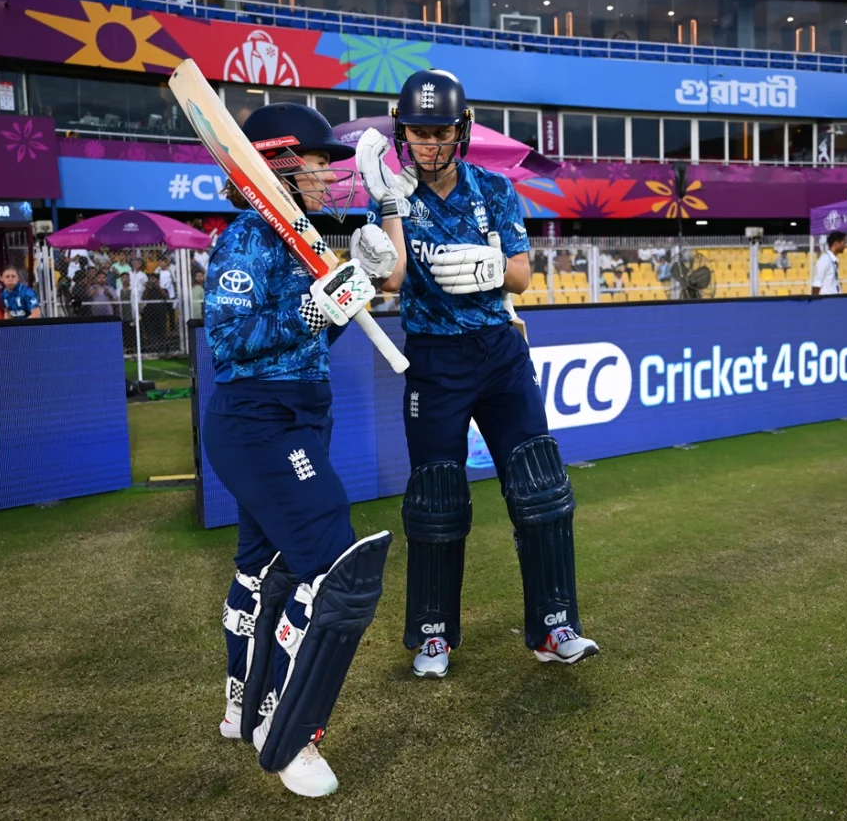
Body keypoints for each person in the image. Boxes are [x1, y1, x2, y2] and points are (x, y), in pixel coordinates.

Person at [363, 68, 599, 679]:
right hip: (434, 360)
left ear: (461, 129)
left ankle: (555, 625)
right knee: (436, 499)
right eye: (418, 133)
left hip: (499, 352)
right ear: (402, 133)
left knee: (540, 489)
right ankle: (433, 634)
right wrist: (387, 201)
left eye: (440, 131)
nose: (429, 145)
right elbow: (389, 281)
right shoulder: (391, 196)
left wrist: (488, 265)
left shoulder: (494, 189)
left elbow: (521, 276)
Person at [203, 102, 392, 799]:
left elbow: (308, 342)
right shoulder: (248, 236)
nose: (327, 176)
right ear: (278, 163)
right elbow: (229, 342)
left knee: (260, 568)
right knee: (329, 558)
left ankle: (241, 705)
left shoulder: (300, 234)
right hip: (260, 421)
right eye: (317, 162)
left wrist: (350, 294)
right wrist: (316, 306)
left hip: (298, 414)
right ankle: (288, 728)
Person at [811, 231, 844, 296]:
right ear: (836, 244)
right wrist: (814, 303)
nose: (845, 246)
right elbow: (816, 284)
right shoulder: (824, 260)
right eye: (843, 243)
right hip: (827, 301)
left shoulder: (833, 260)